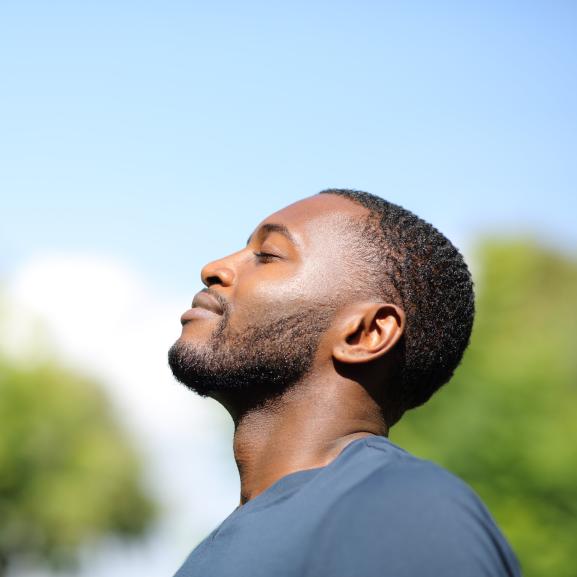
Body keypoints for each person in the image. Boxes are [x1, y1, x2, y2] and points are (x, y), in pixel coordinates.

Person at [168, 189, 521, 577]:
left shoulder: (405, 511)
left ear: (366, 334)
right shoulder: (212, 552)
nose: (214, 268)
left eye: (267, 254)